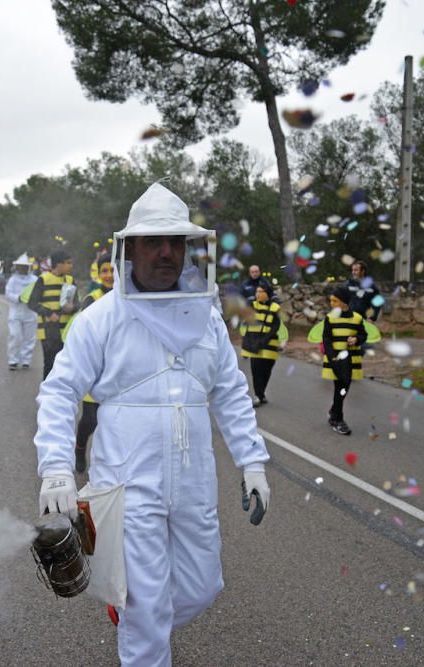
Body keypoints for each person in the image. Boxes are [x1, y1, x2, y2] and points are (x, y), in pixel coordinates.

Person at [34, 183, 271, 666]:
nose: (167, 252)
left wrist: (253, 462)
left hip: (194, 483)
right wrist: (56, 467)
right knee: (145, 612)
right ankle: (140, 629)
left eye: (175, 242)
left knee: (204, 587)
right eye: (154, 241)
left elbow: (229, 391)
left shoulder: (205, 318)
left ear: (189, 247)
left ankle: (139, 618)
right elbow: (59, 390)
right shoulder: (101, 318)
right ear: (131, 248)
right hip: (127, 483)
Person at [72, 254, 114, 473]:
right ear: (98, 274)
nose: (109, 275)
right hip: (96, 369)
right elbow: (84, 336)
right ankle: (80, 449)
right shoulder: (91, 298)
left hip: (119, 371)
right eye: (104, 271)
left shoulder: (129, 297)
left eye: (112, 270)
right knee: (90, 419)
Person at [321, 286, 368, 436]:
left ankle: (334, 410)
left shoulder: (357, 318)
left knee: (344, 386)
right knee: (340, 387)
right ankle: (338, 419)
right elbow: (326, 340)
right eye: (331, 301)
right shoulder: (329, 318)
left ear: (344, 302)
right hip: (335, 359)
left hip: (351, 359)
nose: (332, 304)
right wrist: (333, 357)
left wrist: (357, 339)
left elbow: (363, 335)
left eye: (335, 301)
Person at [27, 248, 78, 379]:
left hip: (66, 330)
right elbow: (32, 303)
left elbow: (78, 303)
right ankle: (48, 394)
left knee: (65, 364)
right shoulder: (43, 279)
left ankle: (62, 393)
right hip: (48, 328)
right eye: (68, 262)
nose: (71, 265)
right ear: (58, 264)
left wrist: (72, 308)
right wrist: (49, 314)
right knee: (50, 363)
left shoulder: (71, 280)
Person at [239, 285, 288, 407]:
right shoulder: (252, 305)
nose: (258, 294)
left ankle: (261, 394)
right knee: (256, 371)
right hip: (254, 344)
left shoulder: (275, 308)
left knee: (266, 371)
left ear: (268, 294)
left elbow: (275, 326)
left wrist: (264, 340)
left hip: (270, 344)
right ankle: (258, 395)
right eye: (257, 291)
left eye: (261, 291)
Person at [5, 253, 38, 370]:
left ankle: (26, 361)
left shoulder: (35, 280)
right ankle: (13, 360)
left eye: (24, 266)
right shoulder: (13, 280)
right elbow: (8, 294)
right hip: (16, 311)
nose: (22, 268)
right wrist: (18, 298)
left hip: (31, 312)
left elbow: (39, 293)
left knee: (29, 338)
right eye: (20, 266)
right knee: (15, 335)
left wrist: (33, 300)